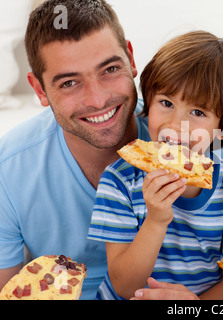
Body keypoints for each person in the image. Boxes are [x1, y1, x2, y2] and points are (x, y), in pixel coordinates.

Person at [87, 30, 223, 300]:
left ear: (222, 126)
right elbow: (123, 286)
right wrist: (156, 220)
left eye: (198, 112)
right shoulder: (119, 181)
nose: (175, 124)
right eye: (166, 103)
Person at [0, 0, 149, 300]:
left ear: (131, 59)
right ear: (40, 90)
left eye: (109, 69)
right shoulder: (9, 169)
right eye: (69, 82)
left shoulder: (188, 142)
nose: (97, 100)